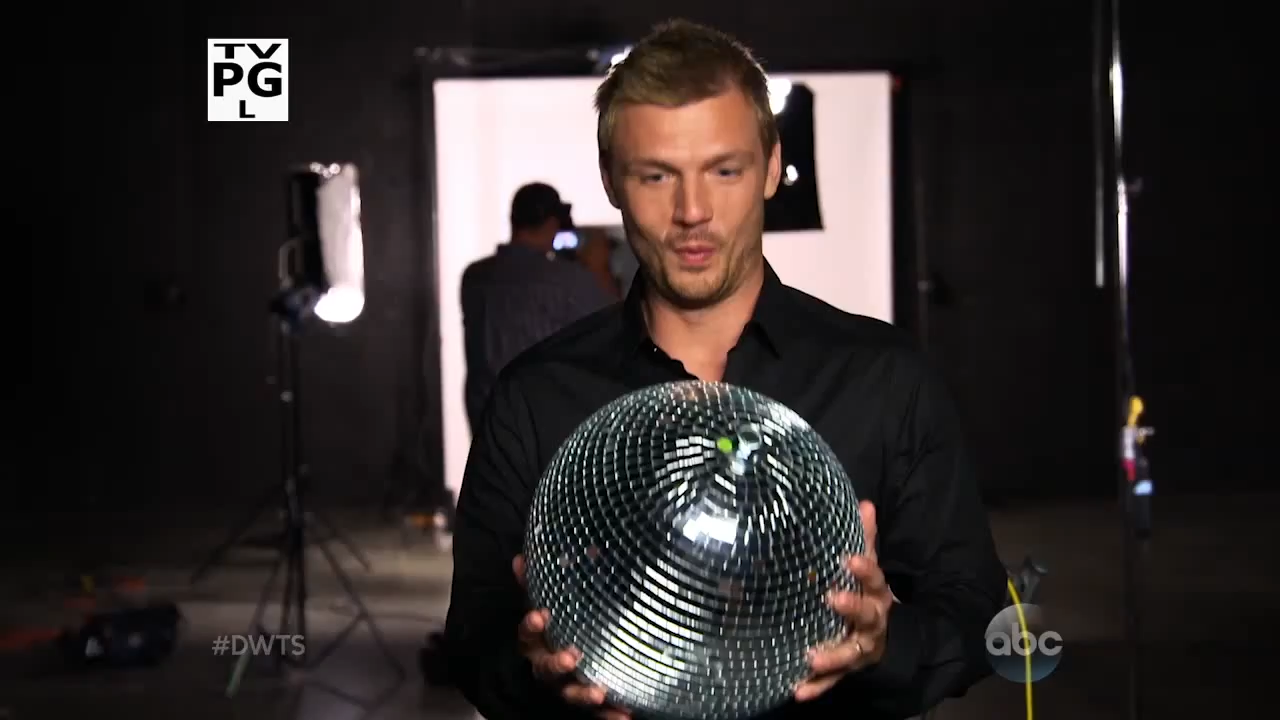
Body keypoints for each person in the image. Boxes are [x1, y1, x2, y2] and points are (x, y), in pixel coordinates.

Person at [445, 19, 1007, 720]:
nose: (693, 211)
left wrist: (887, 644)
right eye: (657, 175)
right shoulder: (535, 398)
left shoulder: (884, 381)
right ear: (611, 179)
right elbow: (472, 640)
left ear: (771, 167)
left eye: (725, 170)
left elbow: (980, 619)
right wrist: (537, 673)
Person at [459, 182, 615, 432]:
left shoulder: (474, 277)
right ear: (552, 224)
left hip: (486, 421)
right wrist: (597, 265)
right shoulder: (568, 280)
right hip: (542, 425)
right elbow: (614, 327)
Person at [575, 228, 622, 299]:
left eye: (606, 246)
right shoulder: (578, 282)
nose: (606, 251)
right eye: (598, 246)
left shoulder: (614, 279)